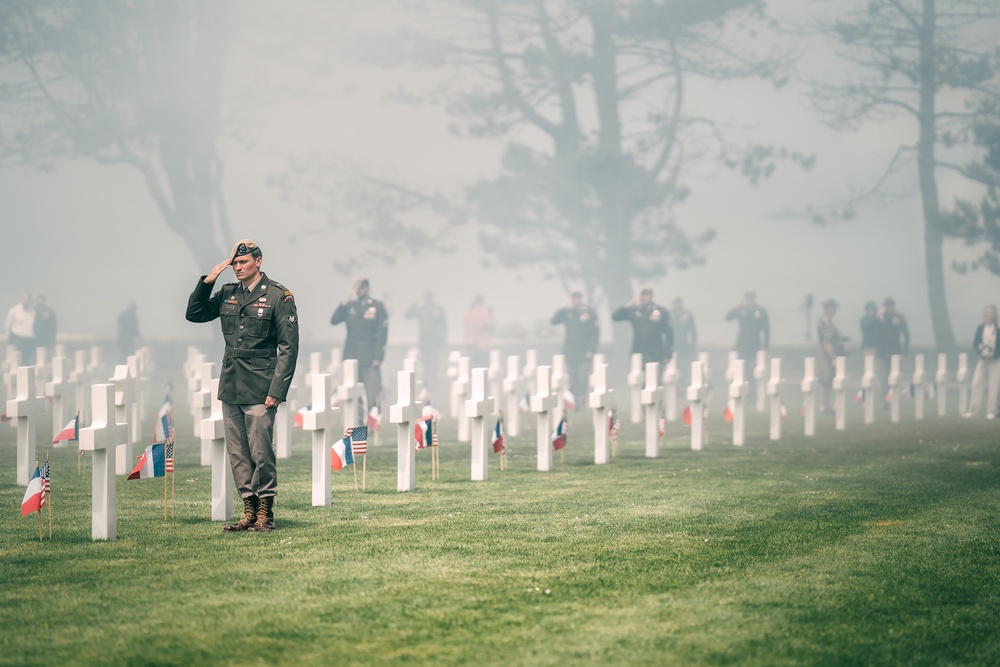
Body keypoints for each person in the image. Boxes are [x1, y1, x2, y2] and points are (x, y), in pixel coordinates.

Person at [185, 239, 299, 533]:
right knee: (238, 452)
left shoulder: (278, 296)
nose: (238, 268)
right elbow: (195, 314)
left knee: (261, 451)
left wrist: (277, 390)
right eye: (235, 263)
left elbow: (288, 347)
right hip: (232, 382)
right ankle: (248, 509)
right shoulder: (227, 293)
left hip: (262, 384)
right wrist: (208, 281)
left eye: (244, 263)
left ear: (258, 262)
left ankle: (266, 512)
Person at [331, 278, 388, 414]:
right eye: (357, 288)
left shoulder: (377, 306)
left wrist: (378, 357)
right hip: (352, 356)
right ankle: (359, 425)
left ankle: (373, 426)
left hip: (369, 357)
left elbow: (382, 333)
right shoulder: (350, 306)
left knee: (371, 393)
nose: (359, 291)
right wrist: (344, 303)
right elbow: (334, 320)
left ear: (367, 288)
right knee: (355, 395)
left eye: (362, 288)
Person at [551, 291, 600, 408]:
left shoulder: (589, 312)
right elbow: (554, 321)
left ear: (581, 298)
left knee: (582, 377)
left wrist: (591, 350)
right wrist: (563, 307)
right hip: (570, 351)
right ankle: (575, 402)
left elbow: (595, 333)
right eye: (573, 297)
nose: (575, 299)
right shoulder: (568, 312)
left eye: (577, 297)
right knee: (572, 379)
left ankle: (582, 400)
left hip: (584, 351)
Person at [612, 287, 673, 368]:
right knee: (637, 377)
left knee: (654, 378)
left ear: (651, 296)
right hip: (638, 351)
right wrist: (628, 304)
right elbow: (616, 317)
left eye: (647, 294)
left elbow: (669, 333)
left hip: (655, 352)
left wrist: (668, 354)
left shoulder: (661, 311)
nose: (645, 297)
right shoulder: (635, 310)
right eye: (643, 294)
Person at [405, 291, 448, 398]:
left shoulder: (438, 309)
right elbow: (407, 315)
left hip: (434, 344)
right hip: (424, 343)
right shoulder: (420, 309)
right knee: (425, 367)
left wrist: (442, 341)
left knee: (433, 367)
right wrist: (415, 303)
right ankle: (426, 388)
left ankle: (433, 389)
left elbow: (444, 326)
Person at [964, 304, 1000, 420]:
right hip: (983, 360)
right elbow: (976, 342)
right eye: (986, 312)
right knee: (976, 383)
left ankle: (991, 411)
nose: (988, 314)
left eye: (990, 312)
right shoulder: (980, 327)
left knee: (993, 386)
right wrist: (979, 347)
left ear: (994, 314)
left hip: (995, 361)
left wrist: (994, 353)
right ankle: (973, 410)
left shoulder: (998, 328)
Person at [874, 296, 910, 406]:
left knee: (895, 378)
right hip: (882, 353)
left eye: (890, 306)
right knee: (884, 379)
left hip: (895, 353)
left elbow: (906, 335)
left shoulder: (898, 317)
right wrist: (877, 318)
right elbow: (872, 333)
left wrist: (904, 353)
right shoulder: (879, 318)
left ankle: (894, 400)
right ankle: (886, 402)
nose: (888, 308)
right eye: (886, 306)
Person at [816, 298, 847, 415]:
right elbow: (827, 341)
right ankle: (823, 407)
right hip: (826, 355)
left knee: (829, 380)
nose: (835, 310)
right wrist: (833, 356)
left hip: (828, 354)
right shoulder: (826, 322)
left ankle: (826, 407)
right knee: (825, 380)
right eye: (833, 307)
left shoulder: (828, 321)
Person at [670, 297, 697, 386]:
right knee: (672, 369)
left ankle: (682, 385)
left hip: (683, 346)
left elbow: (693, 332)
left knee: (683, 369)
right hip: (671, 346)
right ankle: (675, 386)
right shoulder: (668, 314)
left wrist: (692, 347)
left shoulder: (687, 315)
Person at [462, 295, 494, 369]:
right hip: (482, 346)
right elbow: (491, 328)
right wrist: (491, 315)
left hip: (470, 346)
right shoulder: (483, 313)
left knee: (473, 370)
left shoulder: (468, 313)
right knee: (482, 371)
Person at [5, 291, 35, 365]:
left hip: (29, 341)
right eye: (25, 299)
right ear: (21, 299)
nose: (26, 300)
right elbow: (7, 326)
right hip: (18, 339)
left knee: (27, 362)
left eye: (28, 299)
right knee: (17, 362)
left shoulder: (33, 311)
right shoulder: (14, 310)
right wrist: (8, 341)